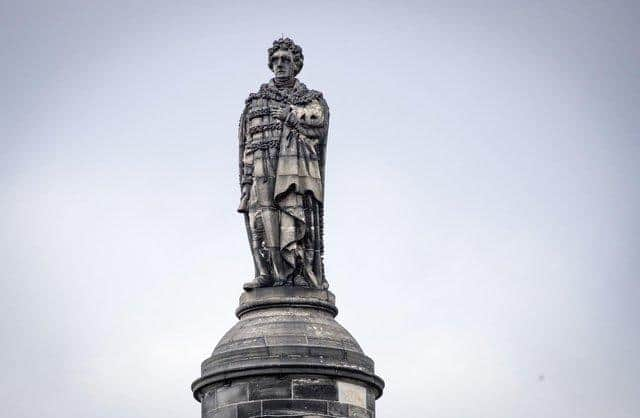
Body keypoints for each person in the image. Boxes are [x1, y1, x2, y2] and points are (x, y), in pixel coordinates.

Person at [237, 38, 329, 290]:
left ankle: (296, 271)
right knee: (261, 224)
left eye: (285, 60)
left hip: (293, 175)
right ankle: (266, 272)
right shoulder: (256, 102)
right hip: (260, 172)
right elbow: (246, 145)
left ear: (296, 64)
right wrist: (246, 183)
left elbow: (318, 130)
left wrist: (291, 117)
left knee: (292, 221)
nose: (279, 64)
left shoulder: (309, 100)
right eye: (275, 60)